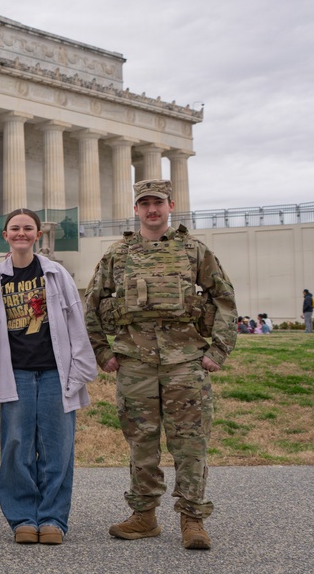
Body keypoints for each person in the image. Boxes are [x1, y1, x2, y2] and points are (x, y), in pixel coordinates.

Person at [84, 179, 237, 550]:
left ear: (171, 205)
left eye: (158, 203)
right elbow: (91, 304)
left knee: (190, 444)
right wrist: (103, 352)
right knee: (141, 443)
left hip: (185, 363)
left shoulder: (194, 251)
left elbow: (225, 300)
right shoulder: (117, 255)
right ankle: (144, 516)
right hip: (134, 364)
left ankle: (193, 519)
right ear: (136, 209)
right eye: (144, 203)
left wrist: (217, 351)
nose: (152, 210)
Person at [0, 209, 98, 545]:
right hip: (14, 373)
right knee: (16, 447)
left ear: (37, 233)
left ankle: (53, 520)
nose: (21, 233)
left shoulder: (56, 274)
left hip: (54, 374)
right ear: (5, 235)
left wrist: (80, 370)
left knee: (57, 448)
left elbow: (75, 322)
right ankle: (23, 520)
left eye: (27, 228)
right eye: (15, 228)